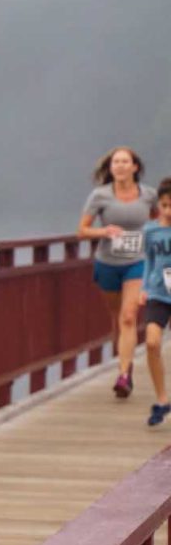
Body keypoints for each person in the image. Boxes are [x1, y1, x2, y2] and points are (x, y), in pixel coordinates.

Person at [79, 147, 150, 398]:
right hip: (108, 263)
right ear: (110, 168)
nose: (119, 166)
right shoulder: (100, 195)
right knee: (117, 319)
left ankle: (123, 376)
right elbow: (82, 230)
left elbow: (160, 219)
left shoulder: (148, 195)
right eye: (115, 162)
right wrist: (104, 231)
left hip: (137, 261)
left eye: (125, 162)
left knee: (129, 316)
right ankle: (125, 362)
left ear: (135, 167)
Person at [139, 179, 171, 426]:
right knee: (151, 343)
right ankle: (162, 399)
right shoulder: (151, 231)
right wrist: (144, 288)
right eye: (165, 205)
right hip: (158, 293)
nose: (169, 210)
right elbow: (149, 260)